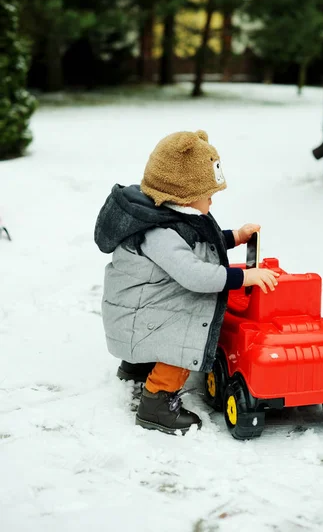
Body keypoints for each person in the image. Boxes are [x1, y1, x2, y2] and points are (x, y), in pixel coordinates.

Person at [94, 130, 278, 436]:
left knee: (171, 311)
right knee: (189, 330)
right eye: (208, 196)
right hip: (139, 318)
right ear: (185, 194)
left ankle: (136, 367)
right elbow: (195, 275)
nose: (211, 201)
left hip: (138, 313)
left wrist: (234, 237)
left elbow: (195, 244)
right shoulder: (161, 233)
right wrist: (244, 276)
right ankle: (157, 402)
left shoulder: (162, 216)